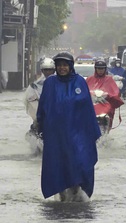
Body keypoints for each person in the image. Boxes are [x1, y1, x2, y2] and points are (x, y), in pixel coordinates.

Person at [36, 51, 101, 202]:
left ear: (70, 66)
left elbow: (87, 110)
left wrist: (91, 132)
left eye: (65, 65)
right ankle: (62, 195)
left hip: (77, 134)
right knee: (58, 163)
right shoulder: (50, 83)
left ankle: (77, 192)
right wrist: (40, 125)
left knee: (79, 161)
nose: (62, 68)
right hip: (56, 134)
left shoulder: (79, 82)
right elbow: (43, 107)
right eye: (59, 65)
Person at [86, 60, 124, 130]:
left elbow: (115, 91)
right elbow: (84, 91)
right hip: (93, 104)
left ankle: (108, 126)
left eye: (102, 69)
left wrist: (110, 95)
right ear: (95, 69)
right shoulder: (89, 79)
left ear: (105, 69)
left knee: (110, 111)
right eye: (98, 69)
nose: (100, 71)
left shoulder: (109, 79)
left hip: (106, 103)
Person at [24, 58, 56, 124]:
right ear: (42, 71)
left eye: (50, 70)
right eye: (45, 70)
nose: (48, 72)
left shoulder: (60, 83)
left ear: (53, 70)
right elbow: (29, 101)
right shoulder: (35, 85)